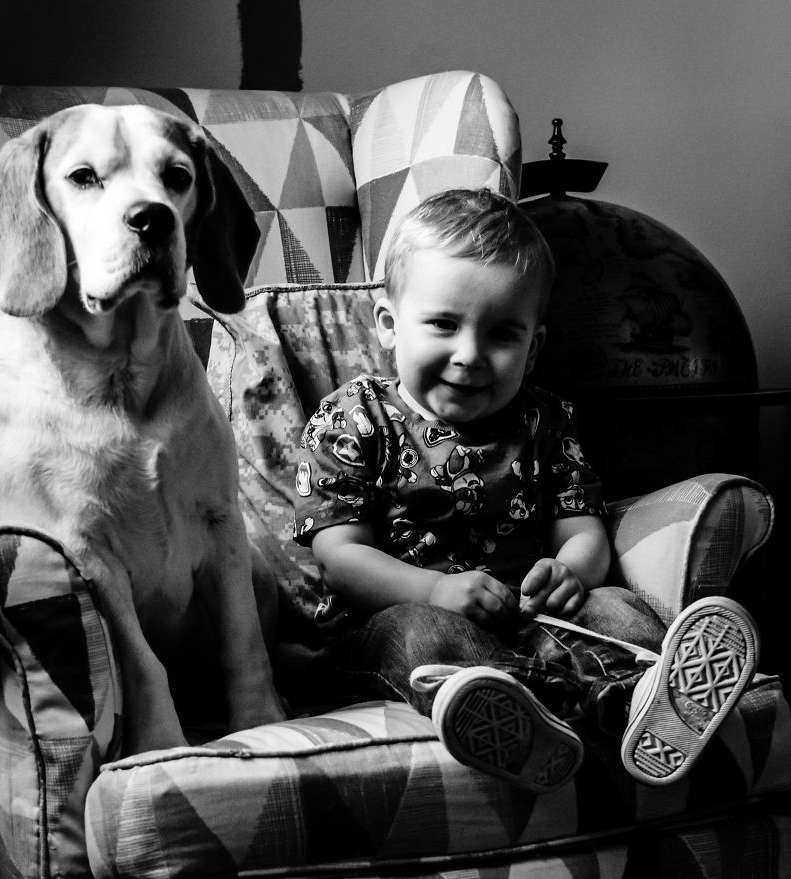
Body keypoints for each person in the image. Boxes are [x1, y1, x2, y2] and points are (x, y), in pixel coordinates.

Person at [291, 187, 759, 793]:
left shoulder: (544, 421)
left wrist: (570, 572)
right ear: (388, 326)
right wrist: (435, 588)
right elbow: (339, 557)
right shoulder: (354, 418)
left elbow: (583, 531)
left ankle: (646, 701)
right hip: (391, 621)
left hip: (527, 618)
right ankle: (520, 715)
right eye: (442, 324)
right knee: (422, 635)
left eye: (502, 335)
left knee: (617, 607)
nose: (470, 355)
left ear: (533, 348)